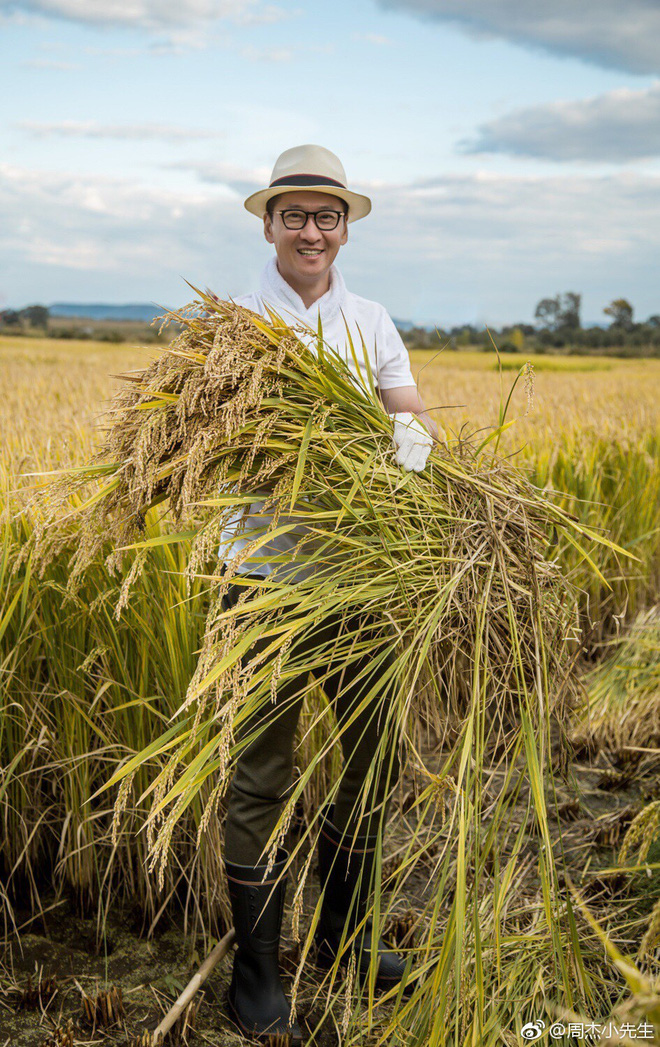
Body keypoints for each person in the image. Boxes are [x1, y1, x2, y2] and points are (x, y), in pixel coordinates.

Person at [217, 144, 440, 1044]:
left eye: (327, 216)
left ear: (345, 228)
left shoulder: (373, 319)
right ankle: (256, 970)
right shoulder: (233, 324)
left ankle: (348, 936)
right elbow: (222, 446)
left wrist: (411, 449)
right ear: (269, 225)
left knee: (370, 764)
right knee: (262, 775)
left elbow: (408, 414)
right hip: (265, 585)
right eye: (295, 215)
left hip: (362, 582)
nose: (312, 230)